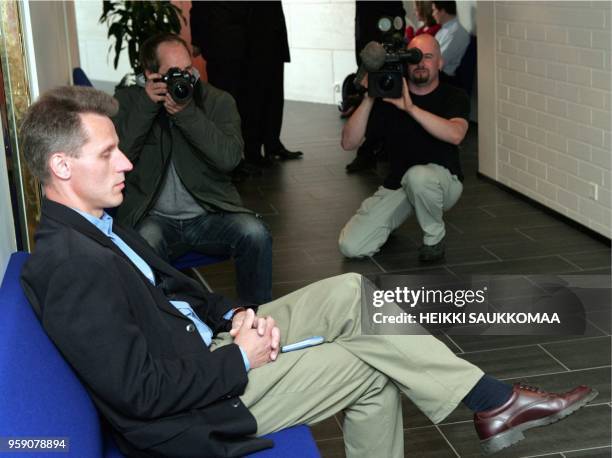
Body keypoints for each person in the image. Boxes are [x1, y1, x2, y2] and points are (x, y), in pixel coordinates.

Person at [19, 85, 597, 457]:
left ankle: (491, 399)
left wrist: (235, 314)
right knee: (370, 367)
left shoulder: (97, 228)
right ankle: (494, 402)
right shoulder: (70, 265)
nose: (126, 161)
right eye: (108, 154)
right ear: (61, 165)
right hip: (197, 408)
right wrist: (238, 357)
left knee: (352, 290)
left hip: (206, 347)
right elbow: (140, 394)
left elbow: (170, 291)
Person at [113, 33, 272, 305]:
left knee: (255, 234)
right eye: (174, 73)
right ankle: (169, 325)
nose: (185, 78)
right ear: (150, 74)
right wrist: (147, 107)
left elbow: (229, 158)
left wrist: (187, 114)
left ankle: (256, 318)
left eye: (189, 69)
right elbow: (119, 160)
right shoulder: (129, 102)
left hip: (209, 212)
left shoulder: (217, 102)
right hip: (154, 217)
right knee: (142, 244)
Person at [339, 34, 470, 262]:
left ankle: (434, 238)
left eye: (427, 57)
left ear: (440, 63)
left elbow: (456, 134)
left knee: (418, 177)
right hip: (399, 184)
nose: (420, 63)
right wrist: (371, 96)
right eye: (414, 58)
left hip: (442, 182)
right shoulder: (390, 97)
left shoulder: (453, 95)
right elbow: (348, 143)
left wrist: (410, 109)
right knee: (350, 246)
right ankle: (387, 225)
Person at [190, 1, 302, 171]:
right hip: (223, 37)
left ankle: (254, 152)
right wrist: (197, 38)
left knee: (257, 97)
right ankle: (230, 159)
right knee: (227, 100)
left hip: (257, 35)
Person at [346, 1, 406, 174]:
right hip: (369, 28)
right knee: (374, 91)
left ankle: (374, 149)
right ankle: (377, 148)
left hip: (386, 26)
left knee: (384, 90)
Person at [432, 1, 470, 78]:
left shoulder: (456, 32)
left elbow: (439, 62)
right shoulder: (444, 29)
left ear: (442, 11)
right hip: (437, 73)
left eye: (434, 10)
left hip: (445, 77)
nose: (433, 14)